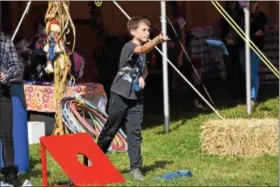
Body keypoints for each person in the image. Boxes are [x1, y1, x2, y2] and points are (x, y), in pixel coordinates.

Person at [97, 16, 169, 181]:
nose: (147, 32)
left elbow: (143, 69)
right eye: (143, 30)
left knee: (135, 133)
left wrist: (143, 77)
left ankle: (136, 168)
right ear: (132, 31)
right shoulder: (129, 47)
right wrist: (158, 39)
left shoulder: (144, 53)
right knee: (110, 129)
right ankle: (94, 161)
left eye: (148, 30)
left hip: (136, 98)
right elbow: (141, 50)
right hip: (120, 94)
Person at [0, 31, 23, 186]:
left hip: (2, 92)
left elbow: (17, 67)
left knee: (7, 135)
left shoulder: (5, 40)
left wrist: (6, 74)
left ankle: (10, 175)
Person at [237, 1, 267, 106]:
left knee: (253, 73)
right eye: (249, 3)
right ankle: (248, 95)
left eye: (253, 2)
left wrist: (253, 32)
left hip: (255, 48)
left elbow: (260, 31)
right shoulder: (241, 14)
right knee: (246, 72)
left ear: (257, 3)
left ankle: (253, 97)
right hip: (242, 47)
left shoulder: (261, 16)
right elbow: (240, 31)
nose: (251, 5)